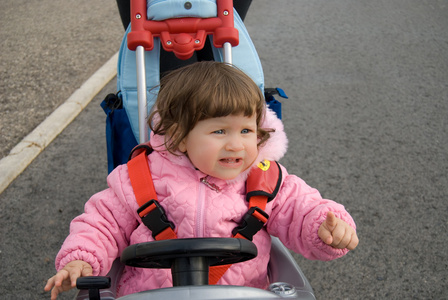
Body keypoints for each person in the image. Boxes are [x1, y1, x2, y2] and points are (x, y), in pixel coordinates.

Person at [44, 61, 358, 299]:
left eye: (246, 131)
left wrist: (324, 227)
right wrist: (81, 259)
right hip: (150, 294)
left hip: (241, 294)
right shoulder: (140, 179)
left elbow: (300, 209)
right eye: (219, 131)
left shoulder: (263, 179)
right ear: (180, 137)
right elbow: (101, 222)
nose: (236, 144)